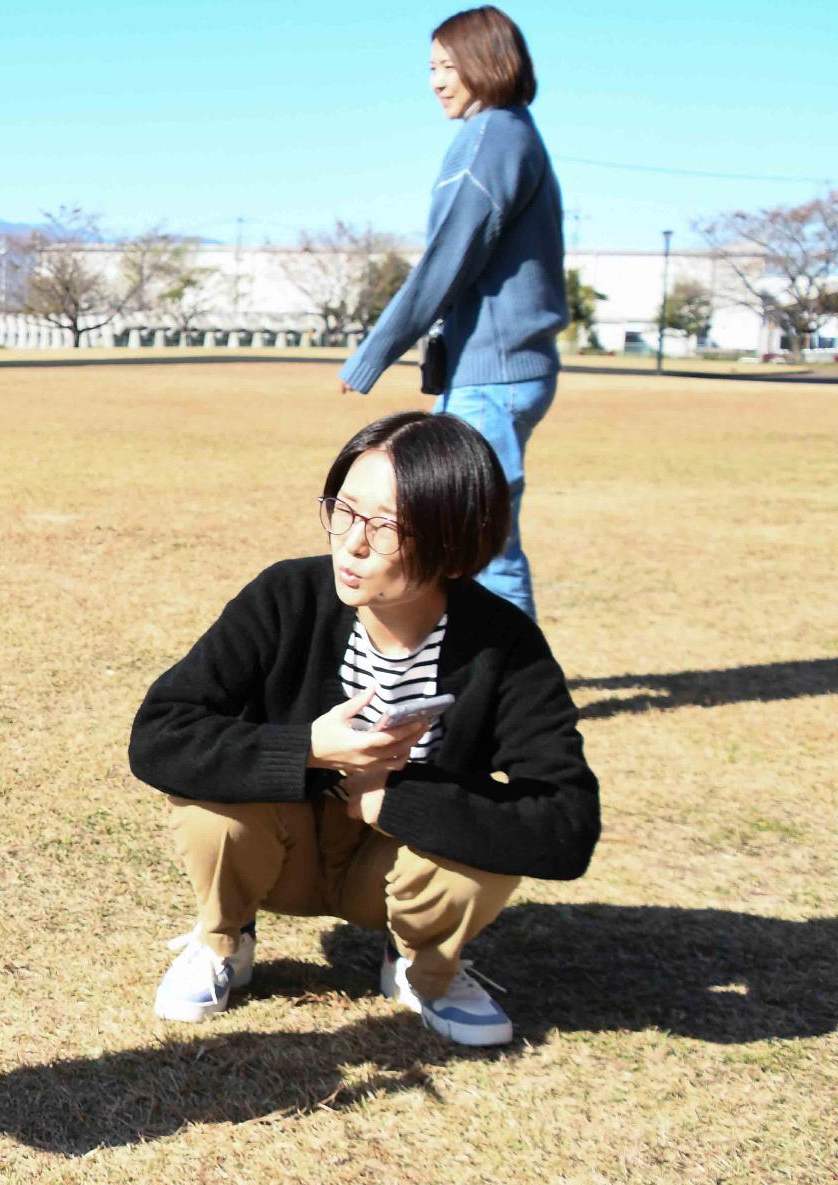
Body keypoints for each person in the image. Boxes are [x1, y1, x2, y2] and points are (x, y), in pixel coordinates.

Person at [129, 411, 598, 1047]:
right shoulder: (286, 596)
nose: (350, 543)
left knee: (480, 860)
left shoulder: (504, 646)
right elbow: (160, 732)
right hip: (281, 852)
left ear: (454, 541)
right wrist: (310, 749)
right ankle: (225, 941)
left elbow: (566, 822)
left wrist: (396, 799)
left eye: (386, 528)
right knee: (213, 813)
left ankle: (422, 964)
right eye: (343, 511)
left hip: (390, 867)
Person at [338, 7, 565, 622]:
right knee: (460, 533)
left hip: (492, 379)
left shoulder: (490, 137)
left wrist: (372, 352)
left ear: (488, 62)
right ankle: (469, 673)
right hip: (496, 373)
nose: (436, 80)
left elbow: (447, 260)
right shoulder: (514, 132)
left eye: (448, 65)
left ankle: (518, 695)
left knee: (482, 542)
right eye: (431, 67)